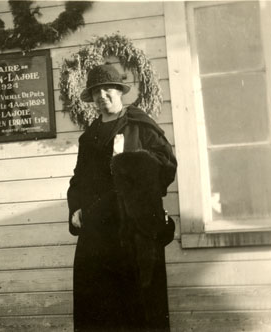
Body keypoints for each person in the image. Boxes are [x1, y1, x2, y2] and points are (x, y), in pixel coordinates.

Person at [67, 64, 177, 331]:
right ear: (91, 98)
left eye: (108, 89)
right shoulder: (89, 137)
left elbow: (167, 166)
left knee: (138, 304)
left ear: (119, 91)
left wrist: (130, 161)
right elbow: (78, 179)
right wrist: (76, 208)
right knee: (99, 305)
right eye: (95, 92)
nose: (102, 95)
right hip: (98, 231)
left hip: (134, 229)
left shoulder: (141, 126)